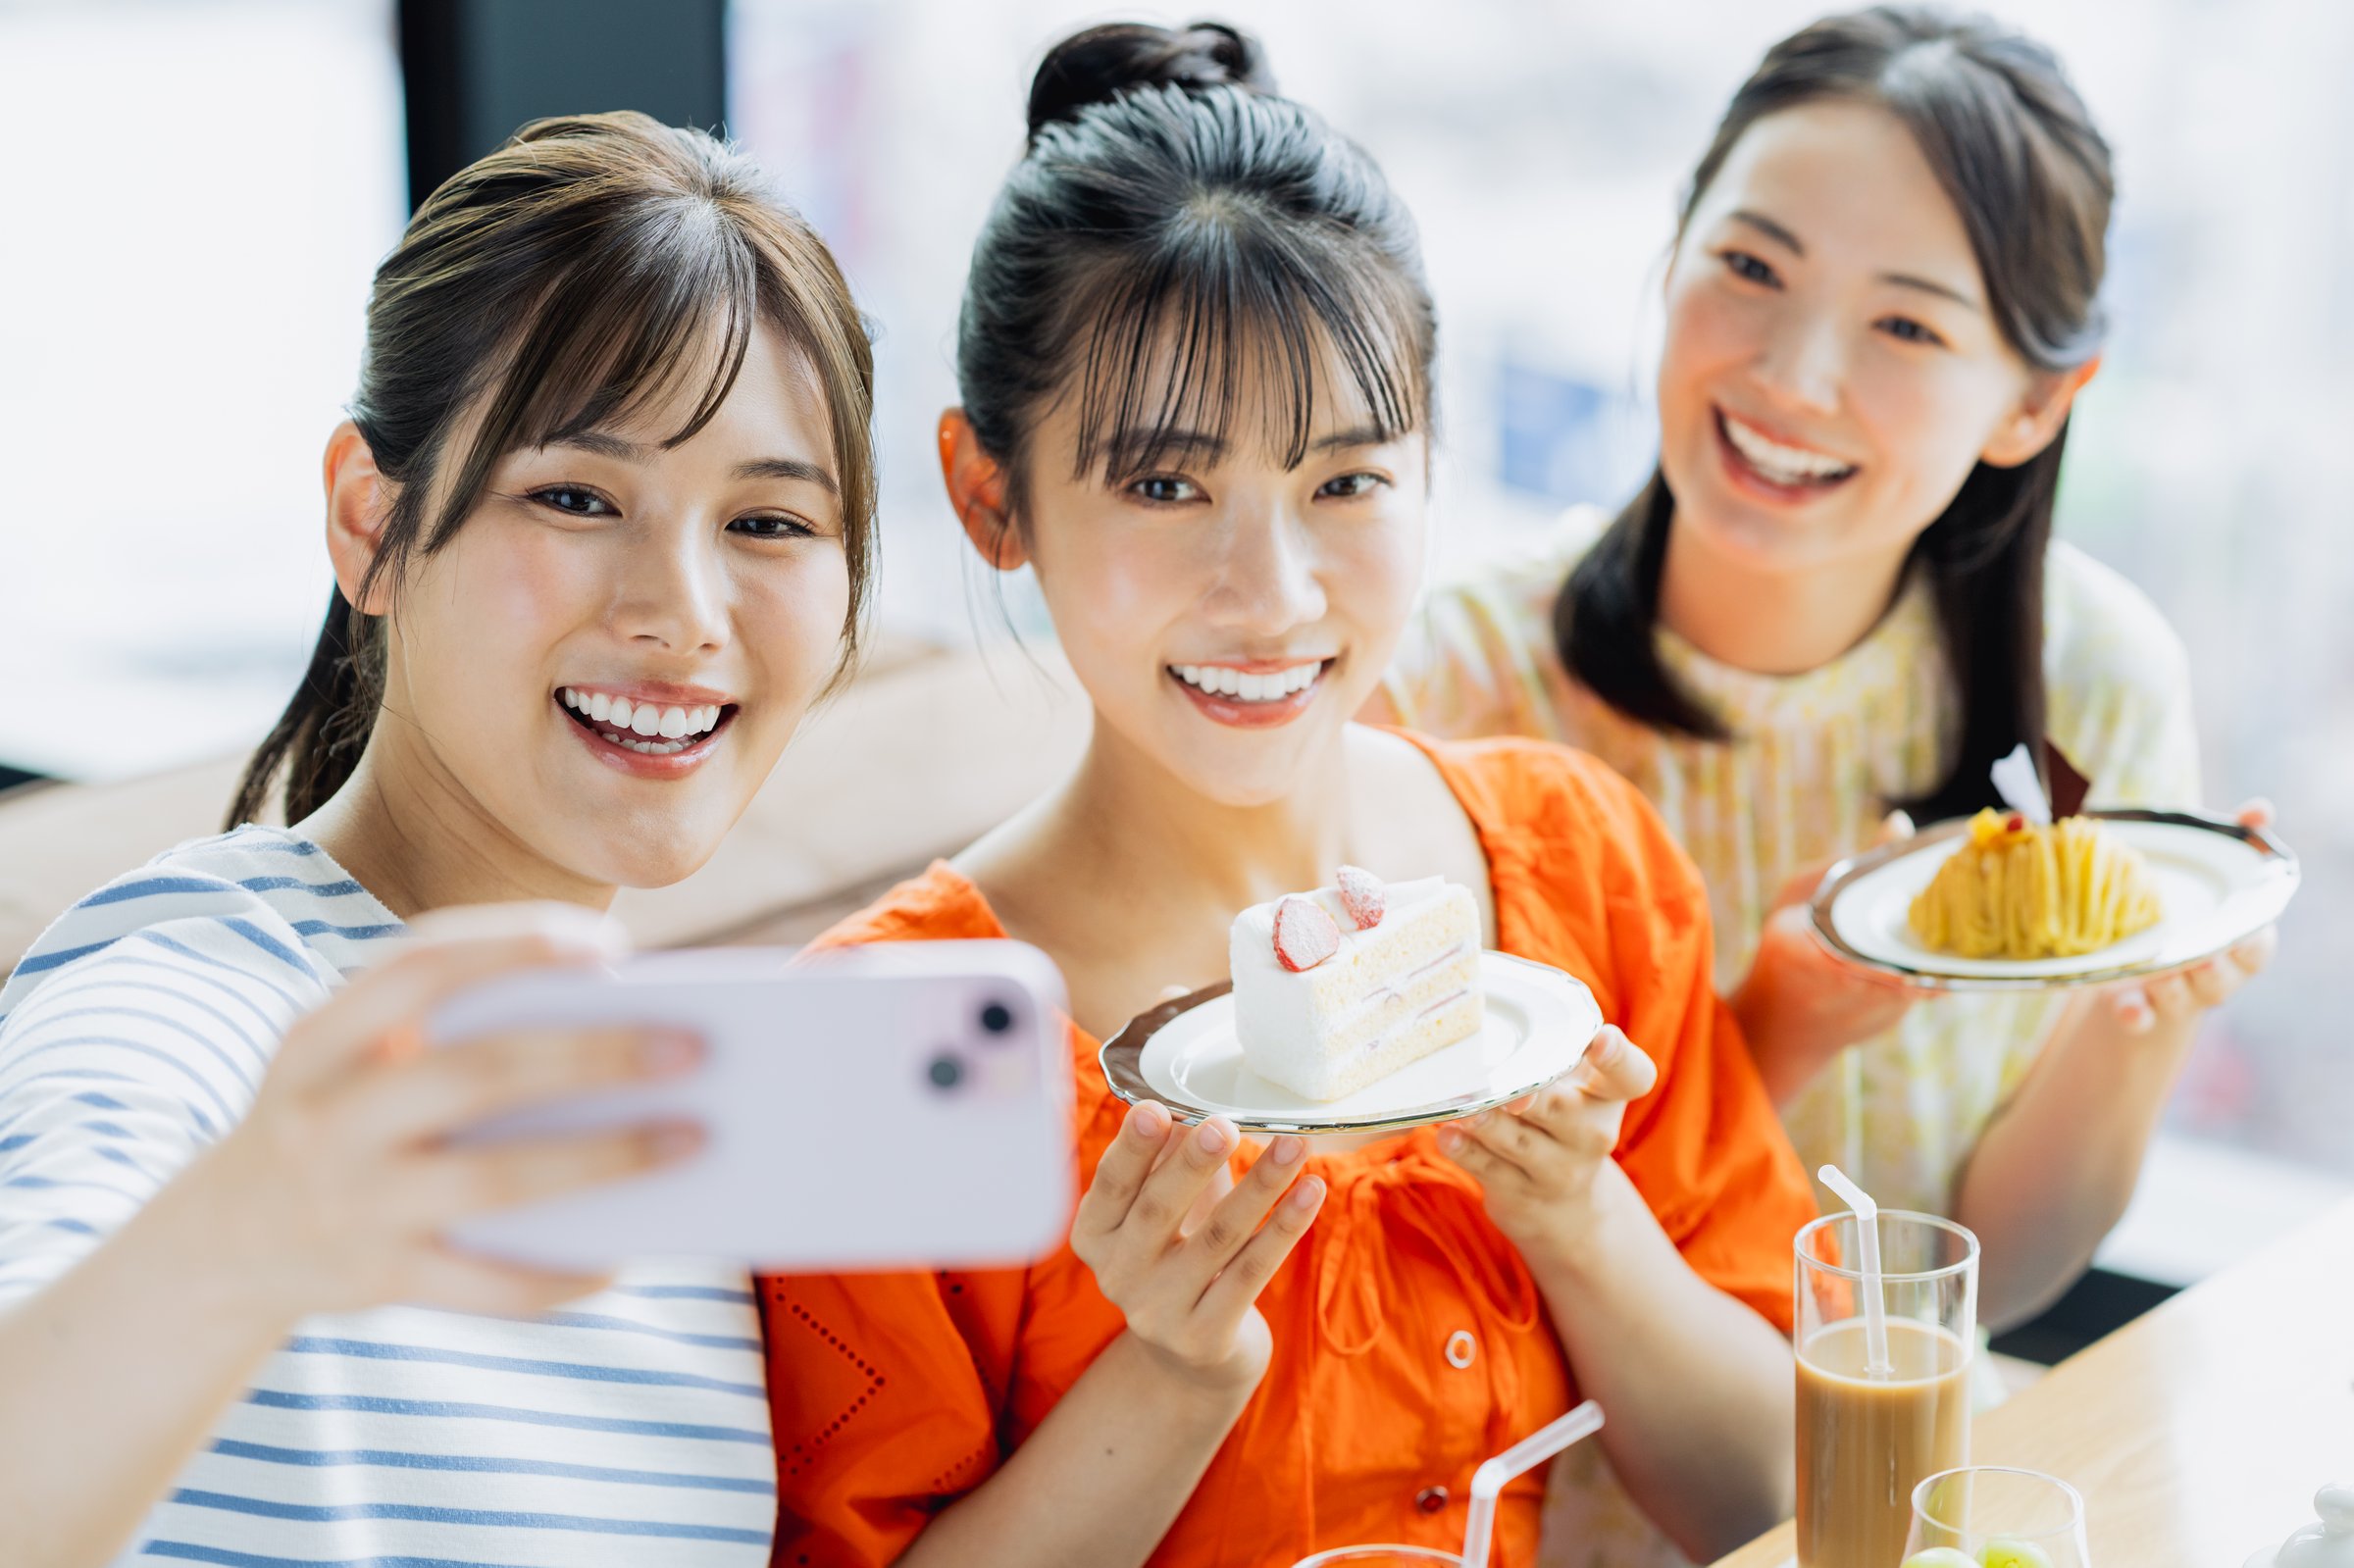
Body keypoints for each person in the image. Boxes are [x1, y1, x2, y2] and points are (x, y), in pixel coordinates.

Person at [759, 24, 1815, 1568]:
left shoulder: (1575, 870)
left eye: (1346, 481)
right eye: (1165, 486)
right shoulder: (879, 1050)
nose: (1272, 593)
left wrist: (1581, 1222)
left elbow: (1780, 1497)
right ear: (993, 495)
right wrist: (1176, 1370)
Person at [0, 112, 876, 1567]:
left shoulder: (680, 1102)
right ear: (372, 524)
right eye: (578, 497)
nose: (683, 612)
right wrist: (245, 1237)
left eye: (770, 522)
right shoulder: (197, 990)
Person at [1372, 3, 2273, 1345]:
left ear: (2036, 402)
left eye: (1905, 329)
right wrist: (1764, 1037)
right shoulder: (1450, 693)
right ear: (1673, 244)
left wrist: (2143, 1017)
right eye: (1749, 264)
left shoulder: (2094, 681)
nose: (1793, 376)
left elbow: (1996, 1285)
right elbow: (1440, 1307)